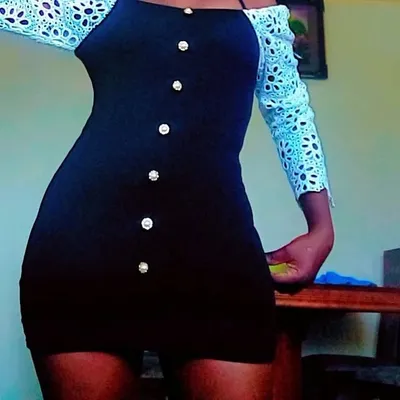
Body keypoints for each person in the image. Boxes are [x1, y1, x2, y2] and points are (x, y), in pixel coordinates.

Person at [1, 0, 334, 398]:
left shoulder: (259, 10)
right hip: (84, 246)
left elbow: (289, 110)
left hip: (216, 252)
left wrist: (321, 228)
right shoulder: (97, 3)